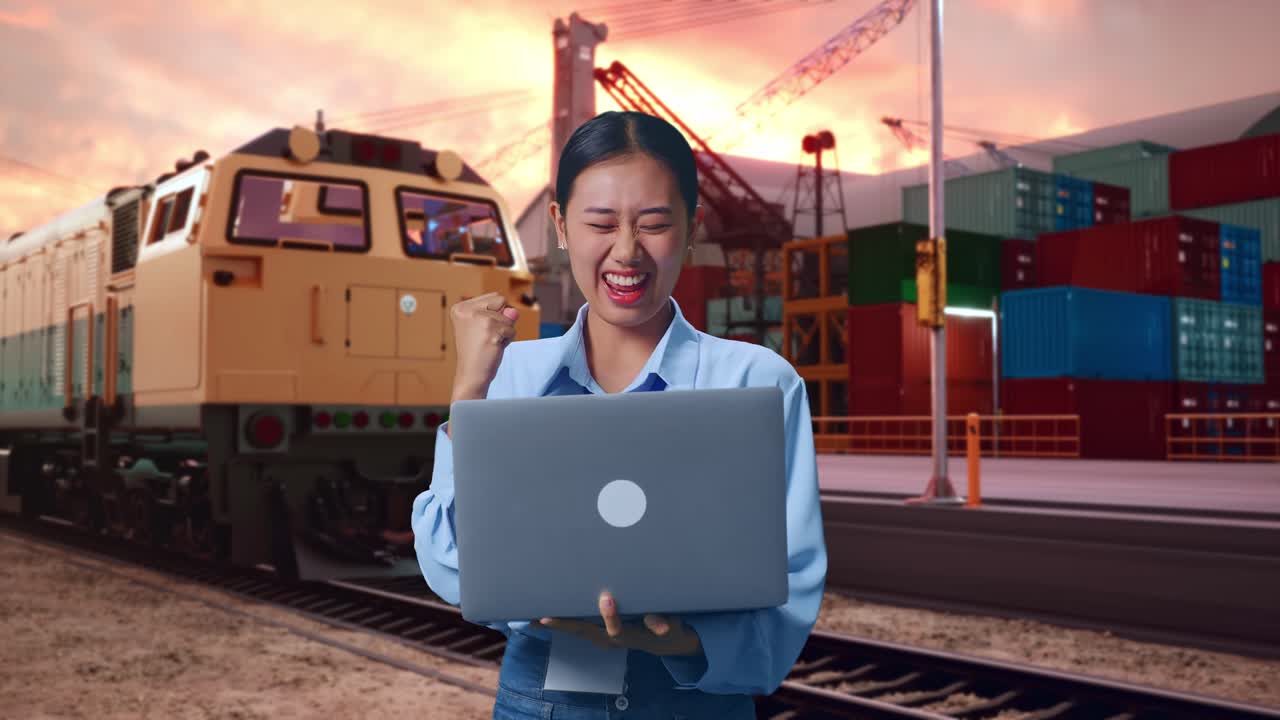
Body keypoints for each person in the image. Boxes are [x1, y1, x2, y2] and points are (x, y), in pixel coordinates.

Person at [411, 110, 826, 719]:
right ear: (559, 224)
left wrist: (681, 643)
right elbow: (454, 569)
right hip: (541, 704)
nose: (626, 252)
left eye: (655, 224)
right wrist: (468, 390)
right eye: (600, 223)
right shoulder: (511, 376)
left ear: (691, 229)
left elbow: (789, 591)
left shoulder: (758, 382)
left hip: (696, 705)